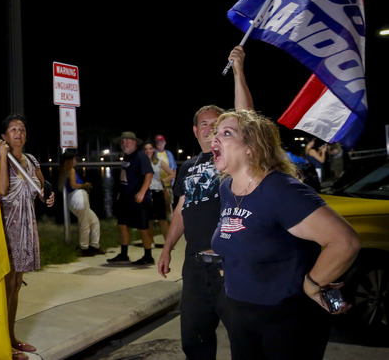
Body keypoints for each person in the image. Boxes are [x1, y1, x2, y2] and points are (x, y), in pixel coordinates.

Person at [211, 109, 360, 359]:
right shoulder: (228, 187)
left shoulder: (281, 190)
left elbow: (345, 242)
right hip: (240, 314)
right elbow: (244, 233)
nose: (214, 138)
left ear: (252, 147)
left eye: (226, 133)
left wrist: (313, 285)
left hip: (286, 319)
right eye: (215, 133)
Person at [157, 45, 252, 359]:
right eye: (205, 124)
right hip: (195, 268)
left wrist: (238, 71)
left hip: (232, 266)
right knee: (194, 340)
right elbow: (182, 209)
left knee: (246, 340)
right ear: (195, 130)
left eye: (217, 123)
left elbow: (247, 120)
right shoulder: (186, 167)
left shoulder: (231, 156)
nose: (210, 128)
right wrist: (168, 247)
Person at [0, 114, 54, 360]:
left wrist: (48, 197)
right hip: (7, 228)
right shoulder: (0, 159)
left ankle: (11, 337)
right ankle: (1, 343)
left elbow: (42, 189)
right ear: (4, 136)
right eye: (13, 129)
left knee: (17, 285)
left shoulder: (31, 161)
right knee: (7, 285)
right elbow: (1, 190)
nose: (18, 132)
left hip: (26, 227)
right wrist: (1, 156)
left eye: (21, 129)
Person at [108, 131, 154, 265]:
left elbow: (149, 174)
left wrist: (141, 192)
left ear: (134, 142)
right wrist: (119, 193)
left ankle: (148, 256)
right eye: (122, 142)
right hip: (125, 198)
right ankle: (123, 254)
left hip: (138, 199)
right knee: (122, 225)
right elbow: (124, 177)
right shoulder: (126, 158)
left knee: (143, 228)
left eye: (127, 140)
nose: (124, 143)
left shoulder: (140, 156)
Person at [58, 150, 104, 257]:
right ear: (70, 160)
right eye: (75, 159)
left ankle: (94, 245)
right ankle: (84, 247)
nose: (76, 161)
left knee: (94, 221)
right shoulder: (71, 170)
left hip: (74, 199)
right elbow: (74, 185)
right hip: (79, 197)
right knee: (85, 223)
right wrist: (85, 185)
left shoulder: (64, 171)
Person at [142, 141, 174, 243]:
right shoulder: (141, 163)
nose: (148, 151)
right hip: (146, 193)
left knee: (162, 219)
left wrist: (163, 181)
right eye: (145, 149)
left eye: (150, 148)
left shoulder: (158, 162)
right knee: (148, 220)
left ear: (153, 150)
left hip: (157, 191)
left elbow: (172, 174)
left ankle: (169, 243)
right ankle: (150, 242)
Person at [154, 134, 177, 217]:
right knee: (157, 203)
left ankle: (170, 218)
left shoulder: (169, 154)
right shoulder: (153, 153)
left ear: (164, 142)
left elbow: (174, 167)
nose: (159, 143)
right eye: (157, 141)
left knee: (169, 202)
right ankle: (157, 220)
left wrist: (173, 179)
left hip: (167, 183)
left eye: (161, 141)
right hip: (155, 184)